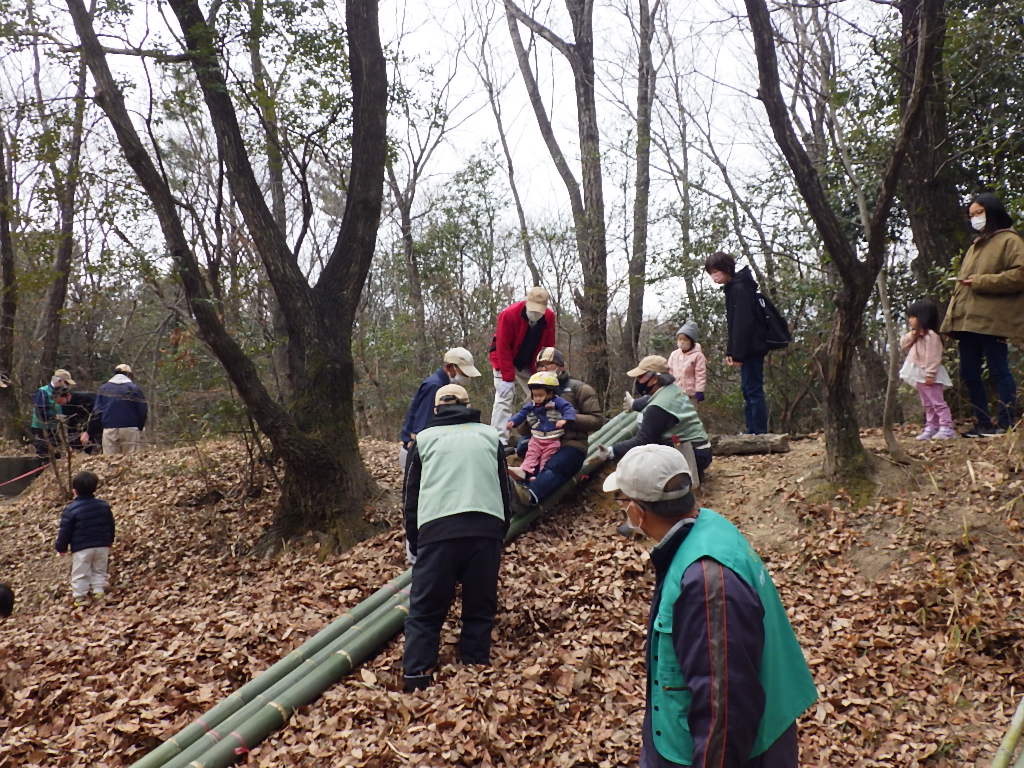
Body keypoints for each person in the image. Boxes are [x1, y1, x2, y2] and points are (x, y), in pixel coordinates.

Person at [603, 444, 817, 768]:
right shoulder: (710, 526)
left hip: (727, 753)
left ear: (636, 512)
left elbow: (725, 707)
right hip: (694, 733)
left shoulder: (707, 581)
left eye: (622, 502)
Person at [401, 384, 512, 692]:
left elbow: (411, 497)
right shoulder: (490, 436)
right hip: (486, 529)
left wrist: (415, 540)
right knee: (480, 606)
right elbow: (505, 491)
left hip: (438, 531)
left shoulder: (423, 440)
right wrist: (500, 532)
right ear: (468, 404)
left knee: (425, 609)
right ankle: (475, 669)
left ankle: (416, 677)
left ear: (436, 409)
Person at [940, 193, 1024, 437]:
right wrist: (952, 320)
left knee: (999, 370)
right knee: (969, 373)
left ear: (992, 211)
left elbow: (1020, 274)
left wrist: (981, 281)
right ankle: (982, 423)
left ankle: (1006, 424)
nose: (975, 219)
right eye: (971, 215)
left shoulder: (1011, 241)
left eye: (979, 213)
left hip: (993, 320)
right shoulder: (976, 245)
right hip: (968, 321)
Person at [511, 347, 604, 507]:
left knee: (557, 465)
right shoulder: (534, 392)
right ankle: (514, 491)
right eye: (540, 366)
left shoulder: (579, 389)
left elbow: (597, 420)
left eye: (548, 364)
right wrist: (529, 420)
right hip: (540, 442)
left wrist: (568, 418)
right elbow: (522, 430)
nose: (543, 368)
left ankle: (530, 496)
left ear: (561, 366)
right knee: (524, 448)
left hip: (571, 444)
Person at [600, 355, 712, 484]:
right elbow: (650, 399)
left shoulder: (658, 408)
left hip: (692, 455)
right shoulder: (672, 390)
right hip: (701, 449)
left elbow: (642, 441)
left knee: (644, 459)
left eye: (640, 377)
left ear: (654, 379)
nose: (638, 381)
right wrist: (634, 404)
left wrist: (612, 450)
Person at [705, 252, 771, 434]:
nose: (714, 277)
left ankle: (758, 432)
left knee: (753, 390)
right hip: (747, 348)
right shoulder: (733, 288)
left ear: (726, 269)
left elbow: (744, 324)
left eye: (716, 272)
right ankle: (753, 430)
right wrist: (730, 351)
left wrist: (738, 354)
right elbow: (733, 325)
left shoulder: (740, 288)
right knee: (748, 389)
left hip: (752, 348)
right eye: (711, 273)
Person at [488, 287, 556, 441]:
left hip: (530, 362)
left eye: (540, 311)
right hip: (504, 358)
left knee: (539, 394)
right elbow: (502, 346)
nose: (536, 313)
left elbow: (548, 346)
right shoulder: (509, 314)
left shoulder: (550, 317)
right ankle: (499, 440)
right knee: (504, 397)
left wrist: (544, 371)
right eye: (533, 309)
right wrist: (507, 378)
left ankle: (535, 433)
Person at [398, 347, 482, 469]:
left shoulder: (446, 386)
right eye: (463, 372)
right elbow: (423, 424)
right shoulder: (435, 387)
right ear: (450, 367)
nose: (466, 376)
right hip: (417, 453)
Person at [54, 471, 115, 607]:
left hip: (82, 547)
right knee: (99, 569)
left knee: (80, 572)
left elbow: (65, 531)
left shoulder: (71, 510)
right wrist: (110, 539)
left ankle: (80, 597)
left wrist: (61, 547)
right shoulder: (104, 506)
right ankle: (98, 591)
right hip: (101, 545)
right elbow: (110, 524)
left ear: (74, 491)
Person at [900, 299, 955, 440]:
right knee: (927, 403)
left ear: (923, 317)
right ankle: (932, 426)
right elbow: (903, 344)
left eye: (913, 317)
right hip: (918, 373)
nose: (909, 320)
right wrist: (913, 334)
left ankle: (947, 427)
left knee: (937, 402)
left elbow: (933, 357)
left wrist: (930, 374)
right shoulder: (916, 335)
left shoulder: (932, 337)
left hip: (929, 375)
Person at [506, 371, 577, 481]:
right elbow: (522, 413)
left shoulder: (557, 402)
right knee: (531, 454)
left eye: (540, 395)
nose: (537, 398)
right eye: (535, 395)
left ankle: (540, 476)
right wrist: (513, 421)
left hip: (552, 439)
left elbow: (568, 409)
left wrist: (565, 419)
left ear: (550, 393)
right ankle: (525, 471)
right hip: (536, 438)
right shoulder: (532, 404)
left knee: (546, 458)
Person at [94, 363, 148, 454]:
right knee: (131, 460)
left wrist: (100, 428)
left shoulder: (103, 388)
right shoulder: (134, 388)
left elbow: (97, 411)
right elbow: (142, 410)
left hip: (109, 429)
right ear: (129, 375)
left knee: (110, 461)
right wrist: (140, 426)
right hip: (130, 428)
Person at [31, 369, 76, 458]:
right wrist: (54, 417)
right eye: (66, 383)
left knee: (57, 453)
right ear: (59, 381)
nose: (67, 386)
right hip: (41, 429)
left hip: (54, 428)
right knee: (44, 454)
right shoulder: (43, 391)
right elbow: (40, 412)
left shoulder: (63, 393)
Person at [667, 321, 707, 401]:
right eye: (679, 339)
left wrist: (699, 390)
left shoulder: (698, 356)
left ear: (691, 341)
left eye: (685, 339)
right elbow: (669, 371)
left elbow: (700, 374)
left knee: (689, 413)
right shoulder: (674, 354)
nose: (681, 342)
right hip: (675, 393)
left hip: (690, 394)